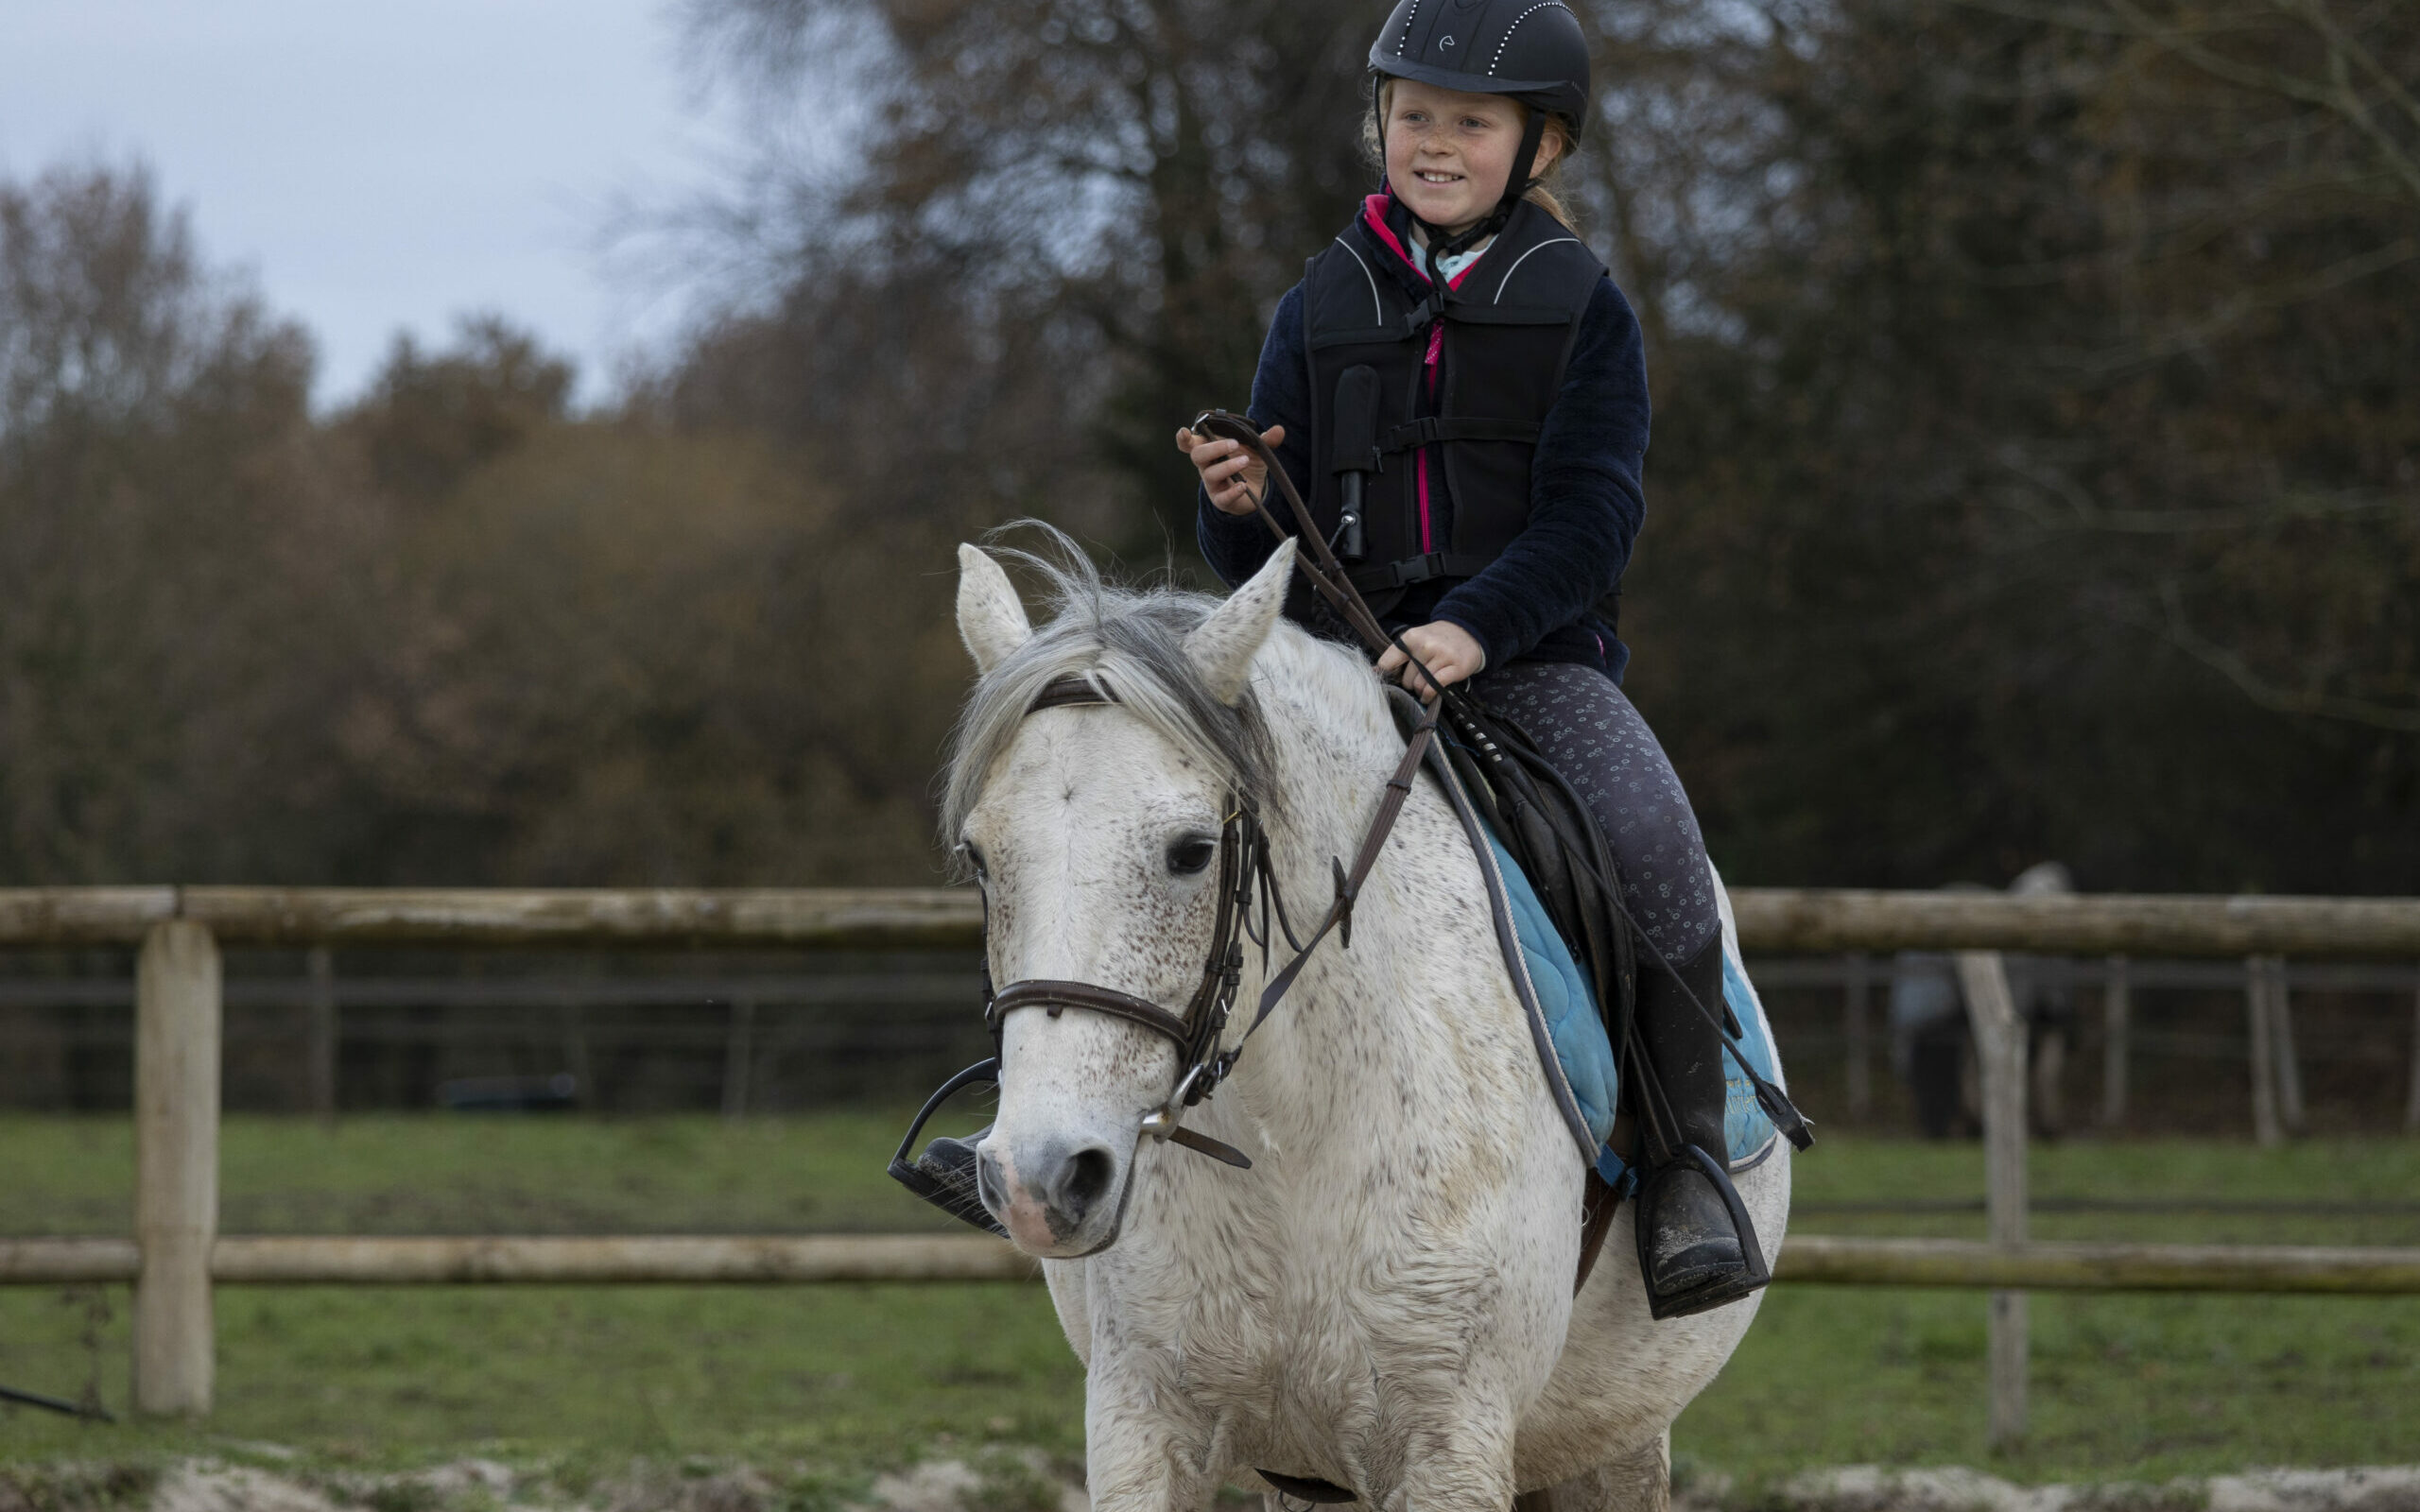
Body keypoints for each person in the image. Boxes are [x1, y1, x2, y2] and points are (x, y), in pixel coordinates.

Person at [1177, 0, 1753, 1318]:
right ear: (1379, 121)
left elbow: (1596, 515)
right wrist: (1235, 496)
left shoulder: (1586, 311)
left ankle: (1686, 1171)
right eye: (1415, 115)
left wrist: (1472, 627)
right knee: (1147, 818)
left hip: (1531, 664)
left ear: (1538, 148)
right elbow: (1262, 546)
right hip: (1337, 668)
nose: (1435, 142)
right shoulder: (1316, 303)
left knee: (1654, 841)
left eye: (1471, 124)